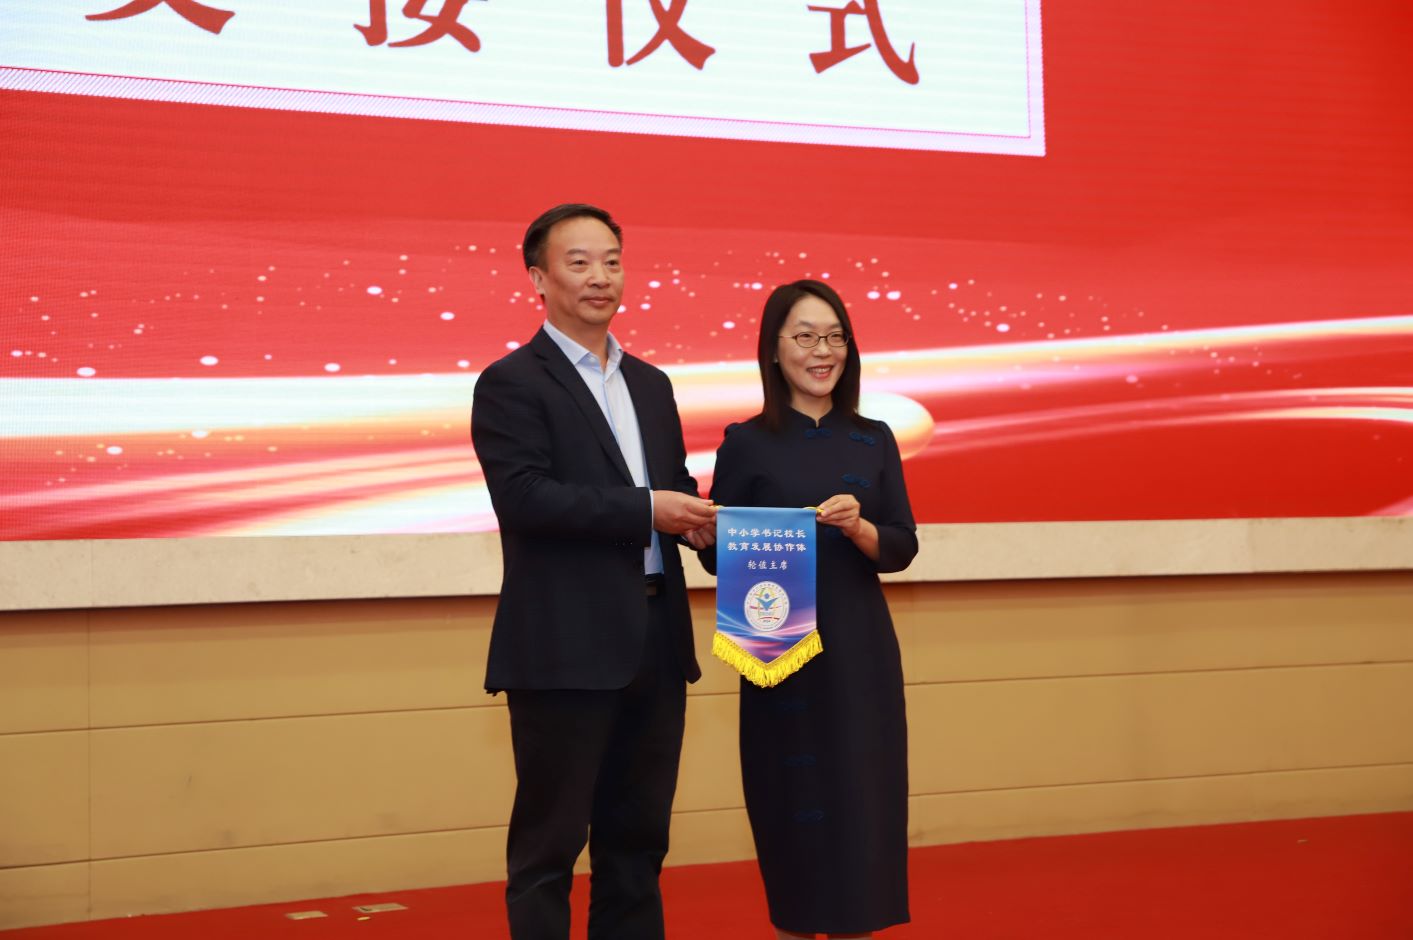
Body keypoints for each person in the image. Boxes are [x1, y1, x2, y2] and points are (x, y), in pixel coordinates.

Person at [471, 203, 717, 940]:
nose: (600, 277)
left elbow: (672, 491)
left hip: (655, 641)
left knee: (638, 845)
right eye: (578, 262)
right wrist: (648, 509)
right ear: (537, 278)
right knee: (548, 848)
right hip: (563, 648)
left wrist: (709, 527)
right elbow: (525, 498)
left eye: (611, 260)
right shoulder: (512, 382)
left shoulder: (651, 384)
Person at [700, 279, 918, 938]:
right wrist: (709, 534)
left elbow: (901, 545)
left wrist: (858, 527)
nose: (822, 351)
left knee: (861, 802)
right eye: (805, 336)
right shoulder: (745, 442)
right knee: (788, 802)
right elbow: (717, 559)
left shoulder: (873, 438)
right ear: (773, 349)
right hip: (777, 649)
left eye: (834, 337)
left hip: (858, 648)